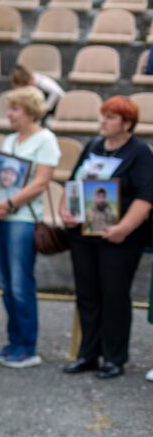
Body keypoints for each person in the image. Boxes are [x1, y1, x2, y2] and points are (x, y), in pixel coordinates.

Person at [61, 96, 153, 380]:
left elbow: (145, 196)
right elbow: (74, 182)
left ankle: (114, 358)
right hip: (84, 236)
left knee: (114, 296)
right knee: (87, 295)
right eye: (102, 116)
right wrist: (66, 210)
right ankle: (88, 354)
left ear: (127, 124)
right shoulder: (93, 147)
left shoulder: (139, 153)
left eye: (111, 117)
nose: (103, 122)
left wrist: (123, 228)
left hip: (119, 238)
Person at [0, 86, 60, 369]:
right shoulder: (11, 140)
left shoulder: (46, 140)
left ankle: (27, 346)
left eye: (14, 109)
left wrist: (9, 203)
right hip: (1, 217)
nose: (10, 114)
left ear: (29, 111)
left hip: (22, 219)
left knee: (20, 284)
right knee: (6, 284)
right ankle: (14, 342)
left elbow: (40, 182)